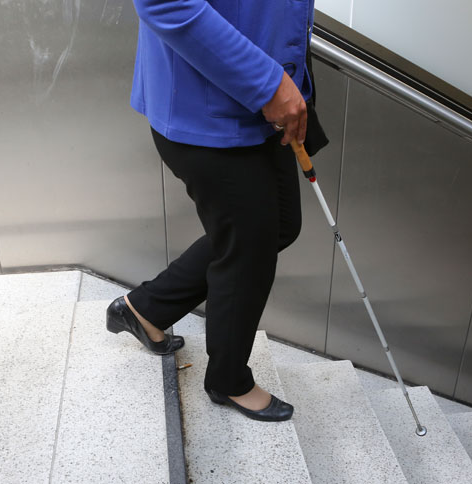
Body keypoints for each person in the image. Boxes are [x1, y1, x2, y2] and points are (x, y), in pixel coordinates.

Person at [106, 0, 326, 422]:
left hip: (267, 102)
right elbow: (164, 3)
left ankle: (146, 308)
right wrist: (269, 84)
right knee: (248, 243)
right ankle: (228, 379)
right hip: (210, 105)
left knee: (276, 226)